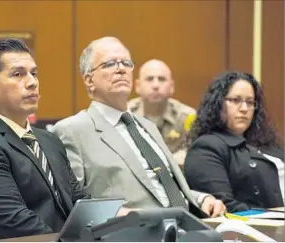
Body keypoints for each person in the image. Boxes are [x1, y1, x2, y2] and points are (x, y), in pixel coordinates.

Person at [52, 36, 226, 218]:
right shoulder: (72, 130)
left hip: (188, 224)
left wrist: (202, 200)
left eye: (126, 63)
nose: (121, 69)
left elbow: (163, 191)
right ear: (89, 80)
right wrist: (118, 214)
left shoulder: (146, 126)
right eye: (110, 64)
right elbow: (72, 204)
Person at [0, 39, 90, 239]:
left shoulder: (49, 140)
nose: (32, 82)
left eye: (34, 73)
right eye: (18, 74)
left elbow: (79, 202)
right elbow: (15, 224)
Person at [184, 71, 284, 213]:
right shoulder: (206, 148)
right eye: (236, 100)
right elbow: (225, 206)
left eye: (250, 102)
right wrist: (275, 215)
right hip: (258, 229)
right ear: (218, 104)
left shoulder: (267, 144)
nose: (244, 109)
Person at [128, 59, 196, 166]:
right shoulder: (125, 115)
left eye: (162, 79)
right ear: (137, 86)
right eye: (149, 79)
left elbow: (196, 153)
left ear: (172, 87)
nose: (155, 85)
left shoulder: (188, 117)